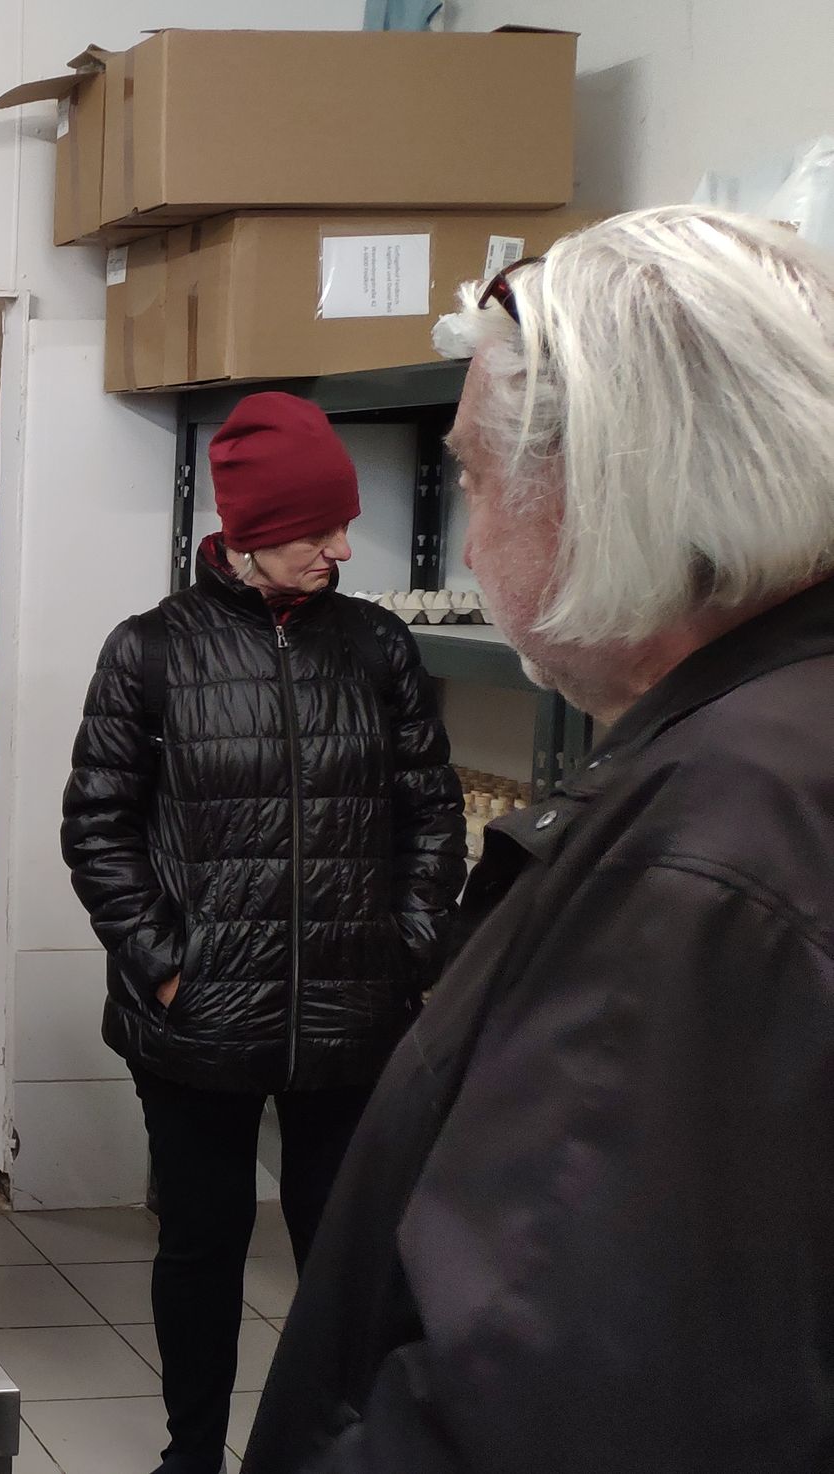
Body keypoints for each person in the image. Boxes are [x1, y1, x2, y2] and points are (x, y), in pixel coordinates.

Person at [244, 208, 834, 1473]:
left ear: (609, 486)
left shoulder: (706, 854)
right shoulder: (773, 750)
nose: (463, 538)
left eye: (469, 474)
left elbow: (532, 1388)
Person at [61, 392, 466, 1474]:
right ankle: (191, 1454)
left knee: (343, 1263)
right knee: (202, 1249)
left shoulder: (377, 647)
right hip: (195, 1022)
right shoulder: (150, 651)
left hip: (350, 1021)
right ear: (246, 531)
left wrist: (404, 950)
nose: (341, 549)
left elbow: (431, 815)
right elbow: (97, 829)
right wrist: (166, 969)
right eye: (315, 530)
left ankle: (322, 1454)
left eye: (343, 526)